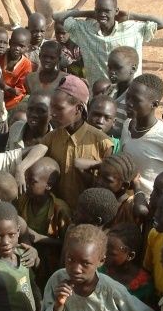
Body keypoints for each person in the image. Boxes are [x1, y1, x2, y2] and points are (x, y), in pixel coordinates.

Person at [52, 0, 163, 86]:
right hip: (99, 94)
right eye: (99, 10)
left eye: (107, 11)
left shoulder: (131, 28)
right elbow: (57, 16)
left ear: (116, 11)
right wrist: (90, 13)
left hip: (127, 93)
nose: (102, 14)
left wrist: (130, 15)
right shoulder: (85, 30)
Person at [40, 76, 113, 210]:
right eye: (51, 108)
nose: (52, 114)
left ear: (78, 109)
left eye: (58, 108)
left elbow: (107, 188)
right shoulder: (50, 139)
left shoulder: (103, 143)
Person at [104, 46, 139, 135]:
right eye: (110, 67)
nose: (112, 72)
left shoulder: (135, 98)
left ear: (133, 68)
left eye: (117, 68)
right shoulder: (109, 90)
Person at [95, 152, 137, 224]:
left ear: (124, 186)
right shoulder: (99, 197)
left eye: (107, 180)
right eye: (98, 175)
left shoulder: (128, 207)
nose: (98, 181)